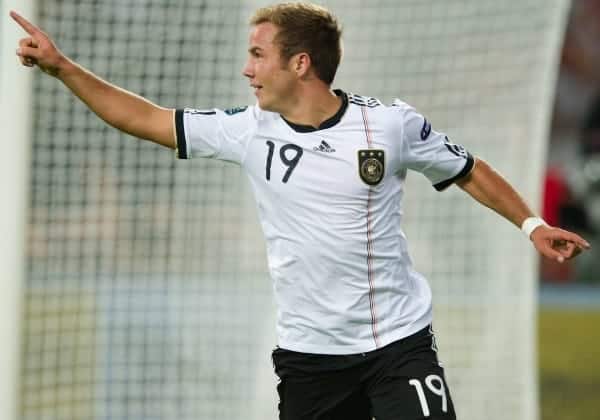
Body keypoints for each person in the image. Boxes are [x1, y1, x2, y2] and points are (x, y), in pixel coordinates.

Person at [11, 3, 590, 420]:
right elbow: (144, 118)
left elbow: (468, 170)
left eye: (258, 55)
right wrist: (64, 68)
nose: (247, 69)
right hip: (311, 358)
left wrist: (532, 225)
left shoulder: (387, 125)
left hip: (398, 346)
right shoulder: (245, 131)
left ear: (300, 64)